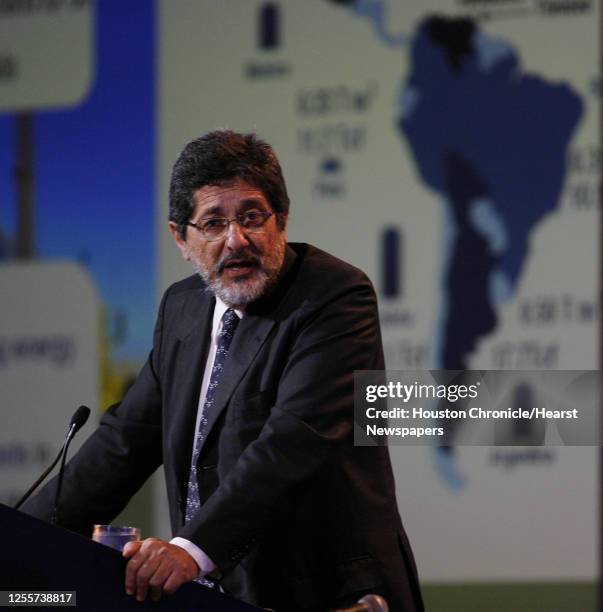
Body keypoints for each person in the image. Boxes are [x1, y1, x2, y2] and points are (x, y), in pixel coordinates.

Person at [22, 130, 424, 612]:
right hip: (226, 597)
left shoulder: (333, 297)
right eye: (213, 222)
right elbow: (123, 443)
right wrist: (21, 540)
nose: (237, 240)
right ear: (182, 239)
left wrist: (189, 552)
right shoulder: (183, 310)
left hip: (330, 597)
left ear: (282, 220)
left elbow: (292, 442)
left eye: (252, 216)